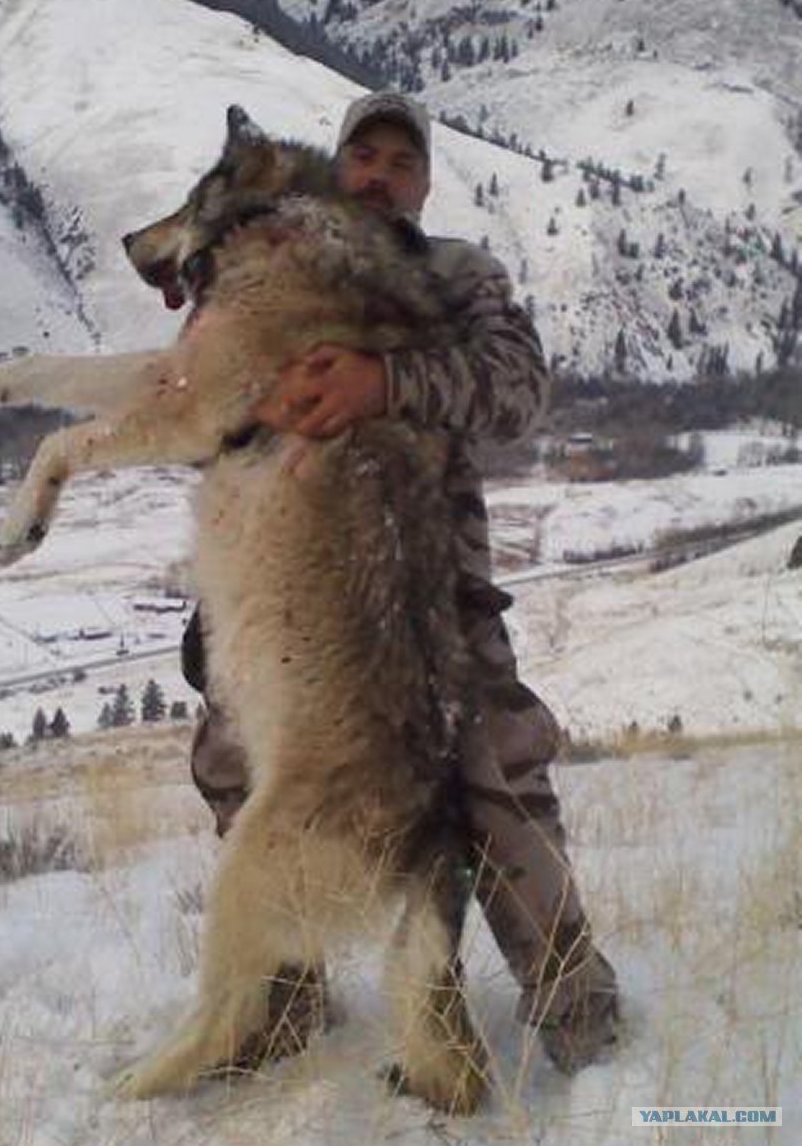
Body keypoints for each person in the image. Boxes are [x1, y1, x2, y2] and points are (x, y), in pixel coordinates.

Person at [181, 91, 619, 1075]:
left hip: (432, 603)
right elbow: (207, 406)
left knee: (494, 776)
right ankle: (278, 1004)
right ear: (337, 168)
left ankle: (582, 1016)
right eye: (362, 156)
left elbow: (517, 389)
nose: (379, 174)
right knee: (236, 766)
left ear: (423, 185)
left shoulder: (457, 278)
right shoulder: (279, 267)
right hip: (293, 593)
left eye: (401, 162)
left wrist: (387, 383)